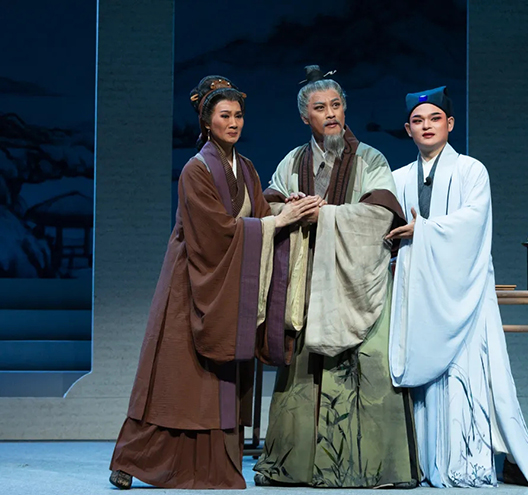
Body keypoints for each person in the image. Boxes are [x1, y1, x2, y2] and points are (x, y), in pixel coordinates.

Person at [108, 75, 321, 490]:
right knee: (175, 377)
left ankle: (212, 464)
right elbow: (215, 231)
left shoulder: (246, 167)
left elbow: (258, 213)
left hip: (228, 283)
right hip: (192, 281)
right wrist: (277, 221)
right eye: (225, 115)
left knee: (217, 381)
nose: (234, 122)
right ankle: (132, 459)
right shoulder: (196, 170)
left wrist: (284, 208)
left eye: (239, 115)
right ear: (207, 121)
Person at [253, 65, 419, 489]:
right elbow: (269, 208)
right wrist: (291, 210)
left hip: (358, 282)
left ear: (345, 109)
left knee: (371, 366)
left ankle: (373, 468)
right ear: (304, 116)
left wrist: (324, 216)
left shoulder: (371, 159)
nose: (330, 113)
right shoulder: (293, 162)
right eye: (319, 107)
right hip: (307, 283)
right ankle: (296, 466)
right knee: (302, 372)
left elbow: (379, 215)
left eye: (336, 105)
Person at [386, 86, 528, 488]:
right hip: (417, 295)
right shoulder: (398, 178)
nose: (427, 126)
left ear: (450, 124)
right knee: (423, 378)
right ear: (407, 129)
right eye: (418, 121)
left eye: (435, 118)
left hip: (466, 292)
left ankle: (468, 461)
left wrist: (423, 231)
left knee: (470, 375)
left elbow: (473, 223)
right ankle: (422, 462)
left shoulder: (472, 171)